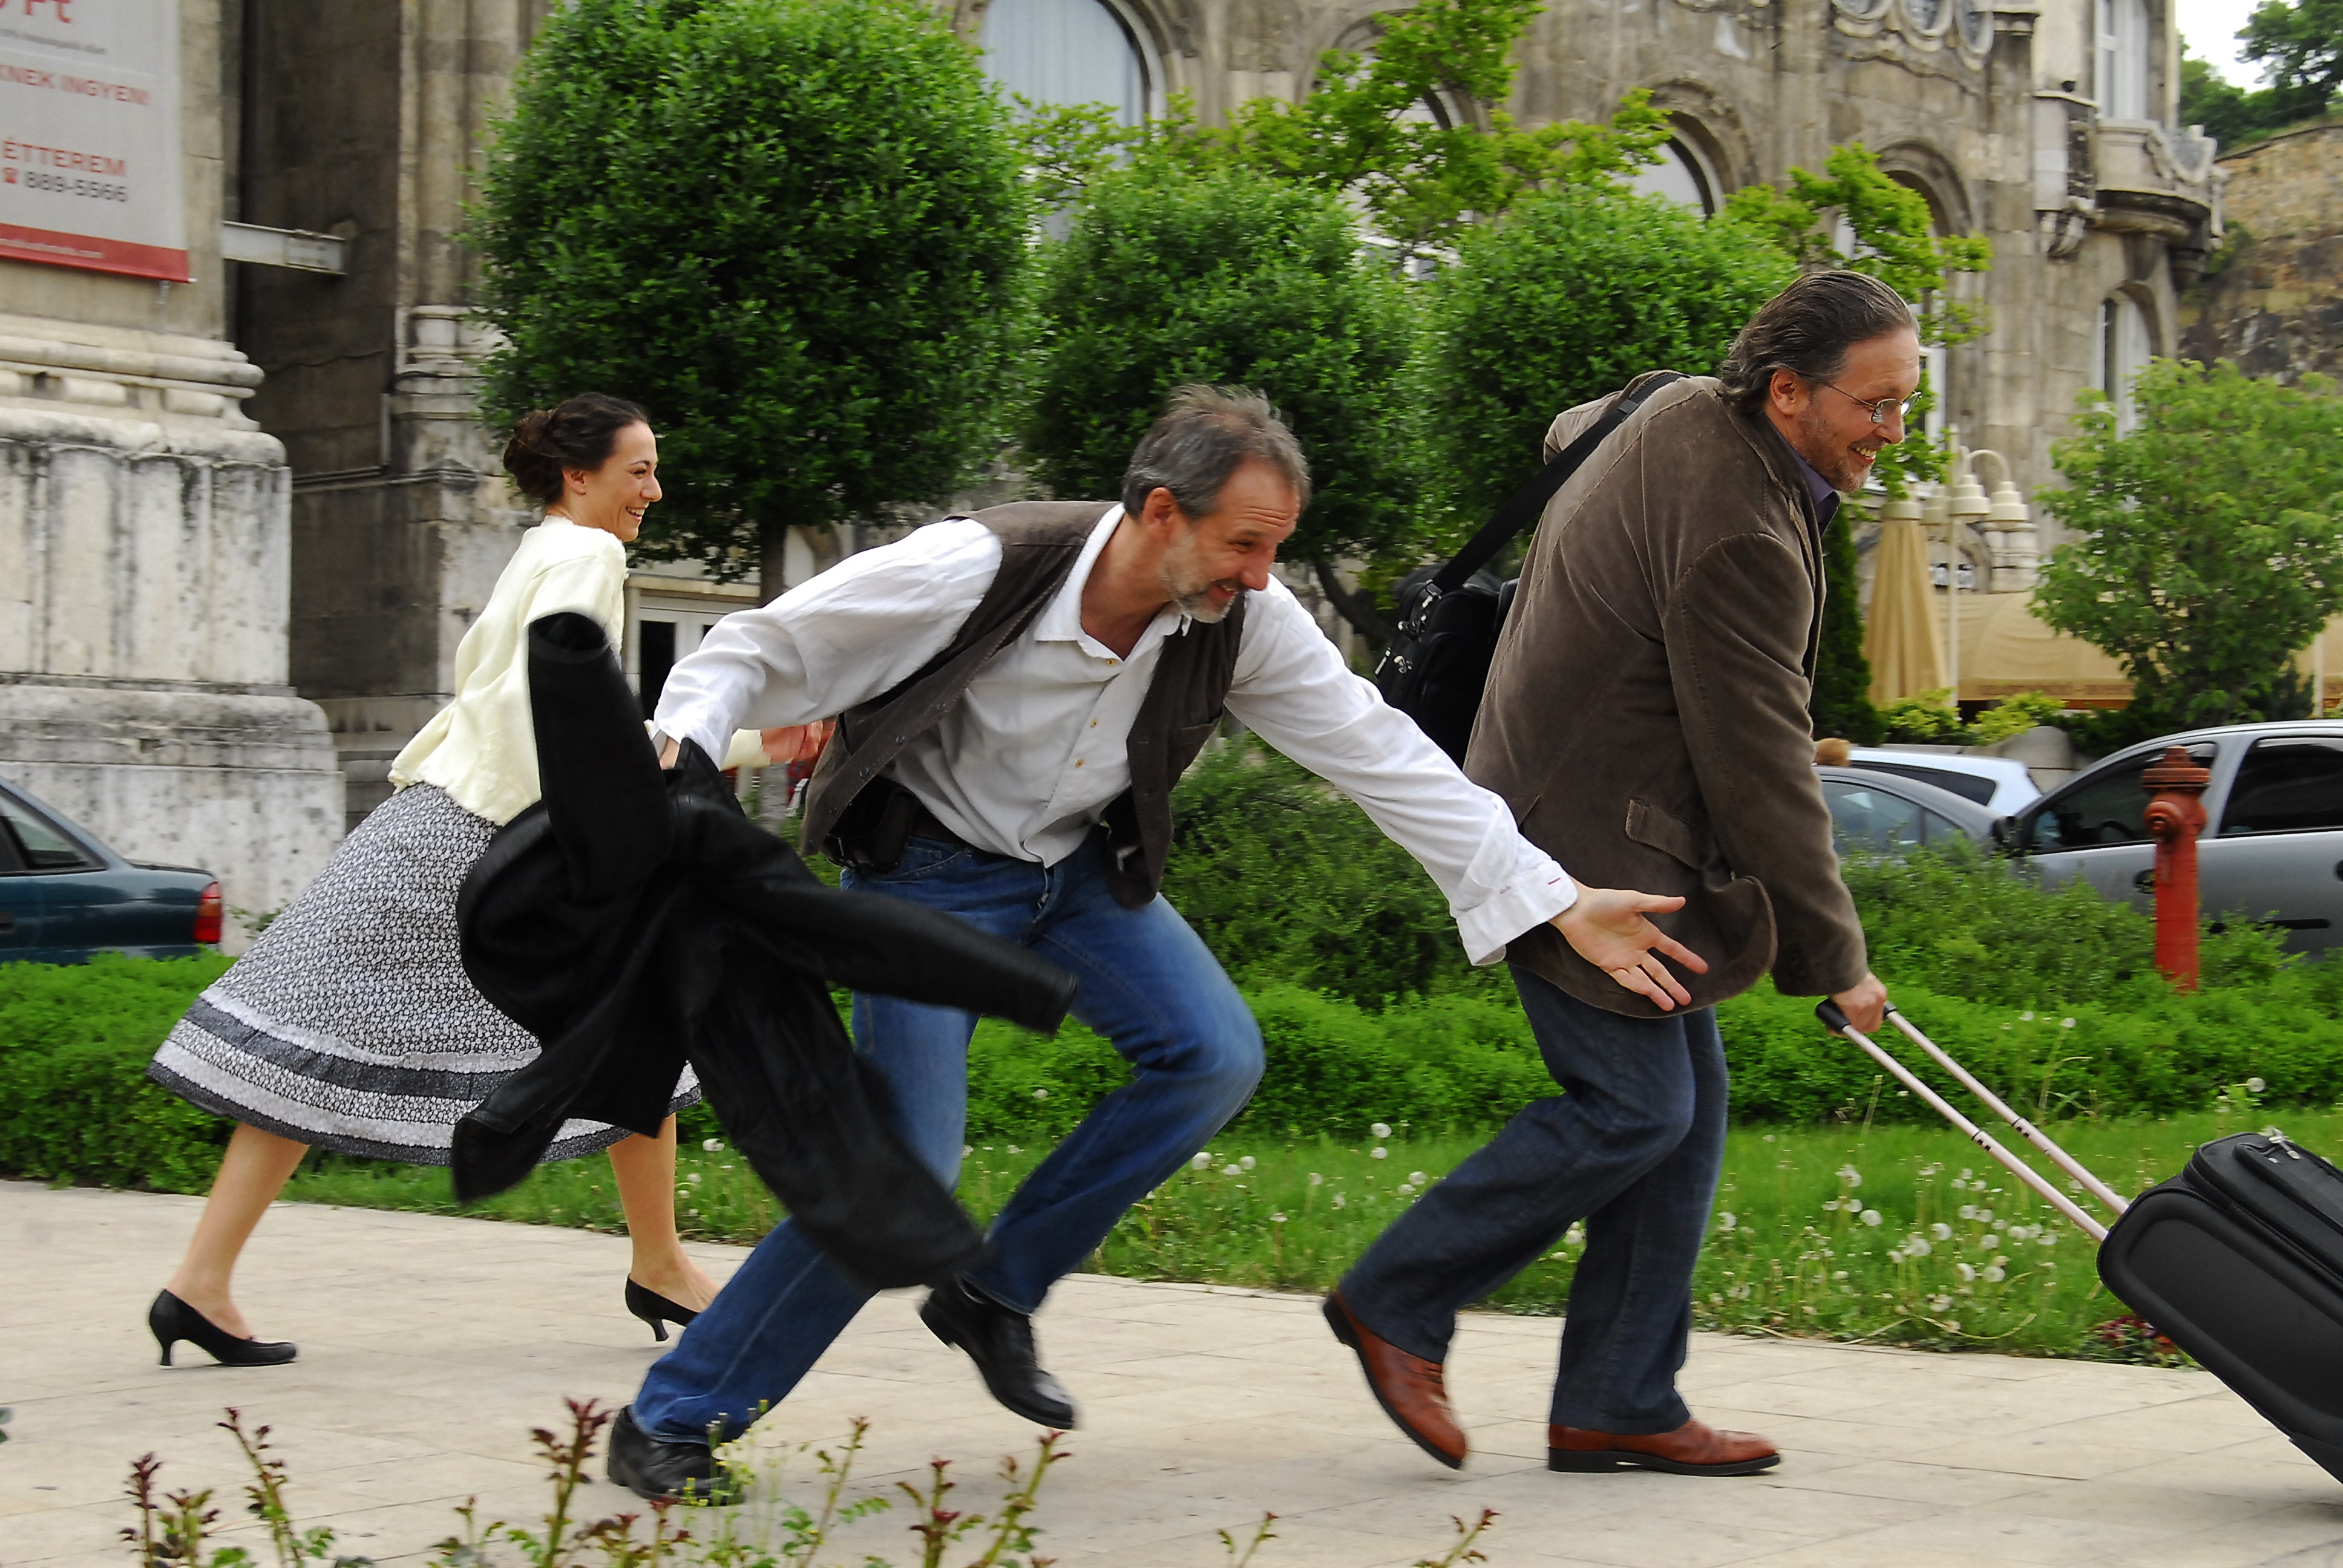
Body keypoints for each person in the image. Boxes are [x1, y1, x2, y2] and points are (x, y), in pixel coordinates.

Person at [603, 385, 1704, 1500]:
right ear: (1162, 511)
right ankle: (676, 1417)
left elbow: (1385, 757)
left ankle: (994, 1291)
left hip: (1078, 873)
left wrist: (1553, 897)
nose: (1262, 576)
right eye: (1245, 545)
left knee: (1213, 1054)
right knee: (903, 1172)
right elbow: (750, 648)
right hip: (926, 882)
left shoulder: (1248, 622)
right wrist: (675, 754)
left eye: (1277, 549)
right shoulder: (975, 566)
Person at [1323, 270, 1905, 1478]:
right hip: (1586, 846)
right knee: (1636, 1108)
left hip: (1576, 807)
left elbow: (1568, 430)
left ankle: (1617, 1400)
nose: (1893, 432)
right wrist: (1833, 960)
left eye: (1909, 404)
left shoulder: (1679, 407)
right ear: (1787, 392)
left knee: (1680, 1127)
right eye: (1877, 405)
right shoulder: (1740, 531)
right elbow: (1762, 764)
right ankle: (1398, 1297)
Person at [145, 393, 770, 1367]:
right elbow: (559, 717)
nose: (654, 488)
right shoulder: (588, 555)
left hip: (440, 822)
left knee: (314, 1042)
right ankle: (658, 1265)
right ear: (580, 474)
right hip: (485, 840)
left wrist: (727, 747)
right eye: (638, 469)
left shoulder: (542, 547)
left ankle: (201, 1284)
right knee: (630, 1032)